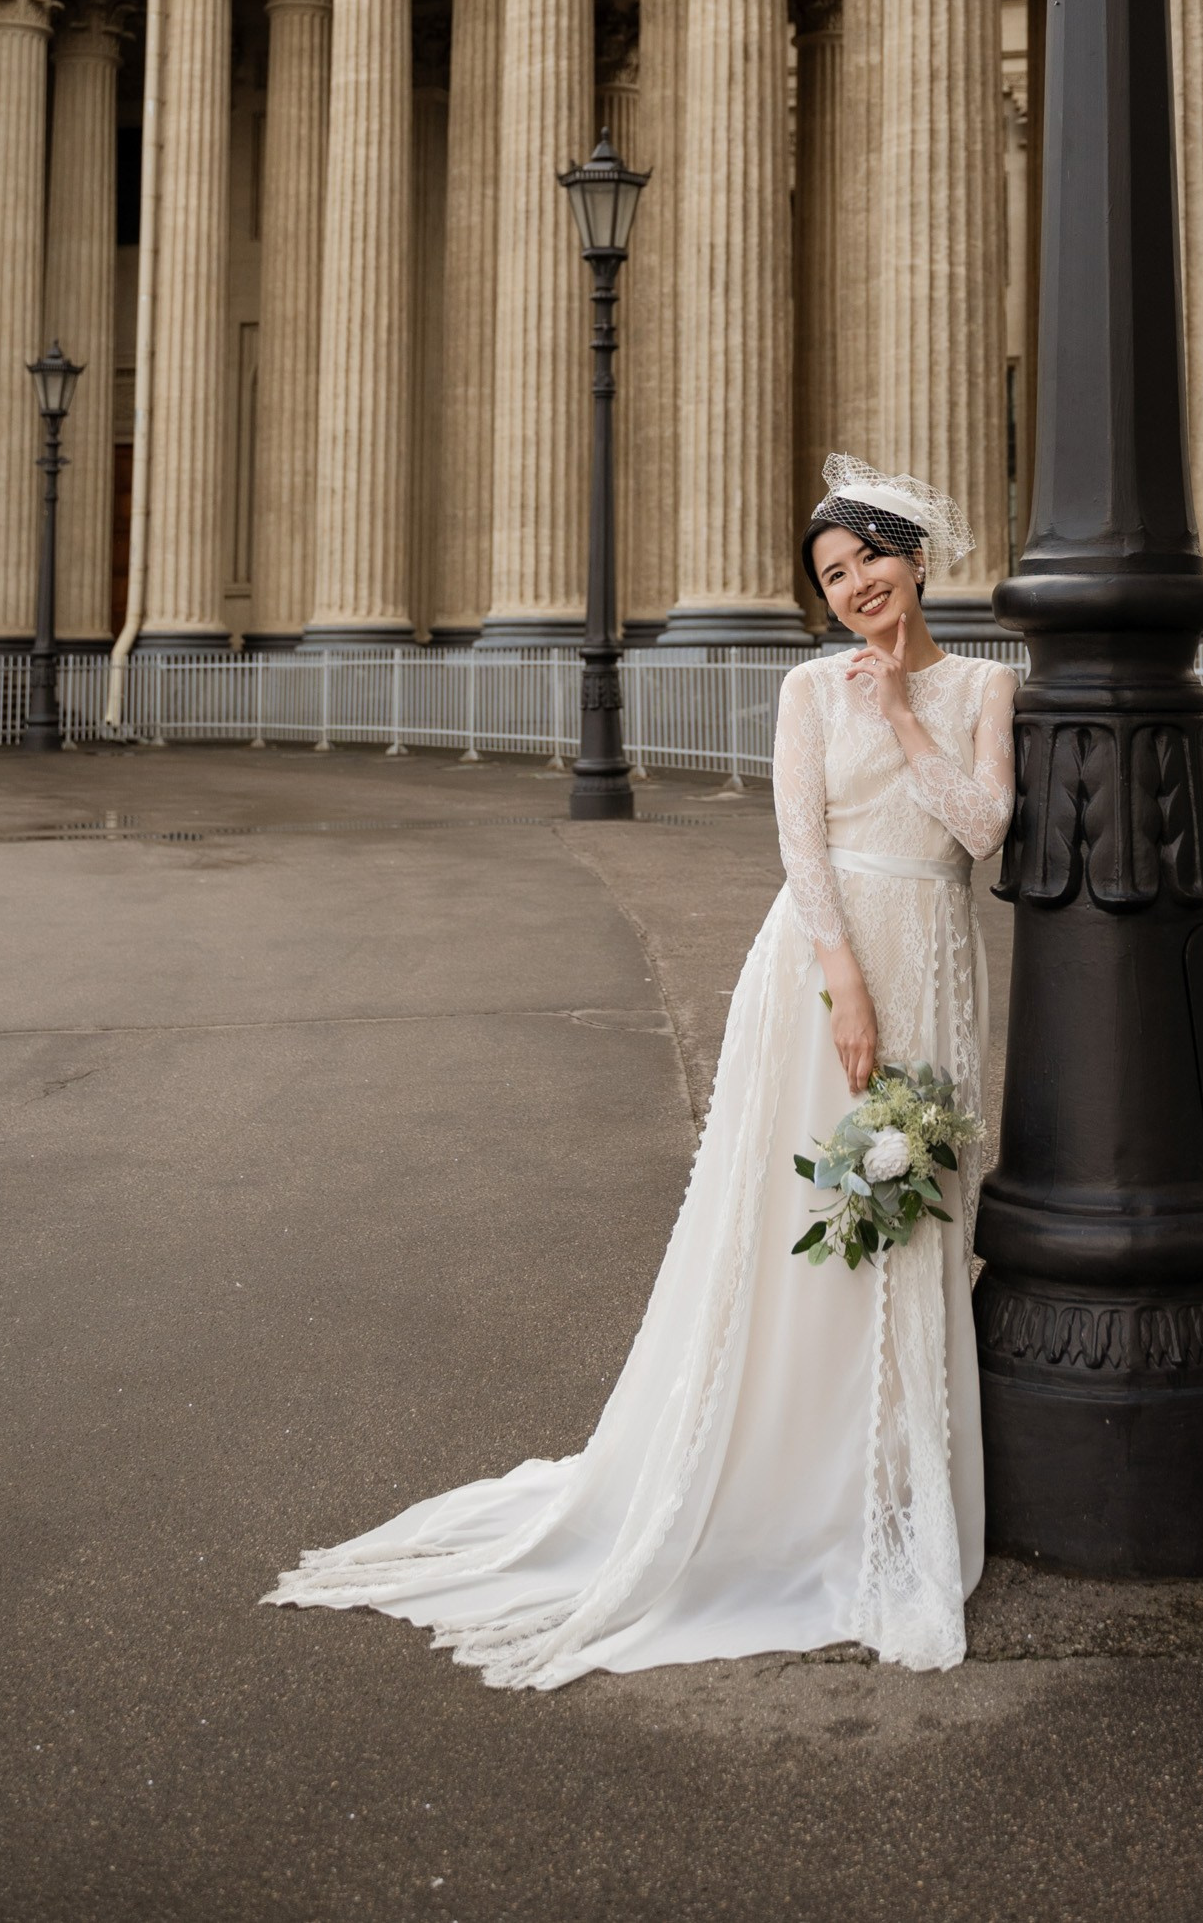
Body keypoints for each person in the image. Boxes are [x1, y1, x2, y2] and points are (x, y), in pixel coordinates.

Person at [266, 457, 1019, 1688]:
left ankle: (886, 1473)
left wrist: (895, 711)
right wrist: (841, 986)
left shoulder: (986, 684)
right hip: (827, 965)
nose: (852, 588)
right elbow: (800, 844)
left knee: (915, 1201)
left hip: (934, 947)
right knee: (804, 1209)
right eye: (830, 576)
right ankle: (779, 1467)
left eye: (866, 561)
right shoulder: (800, 689)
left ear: (915, 557)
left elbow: (980, 829)